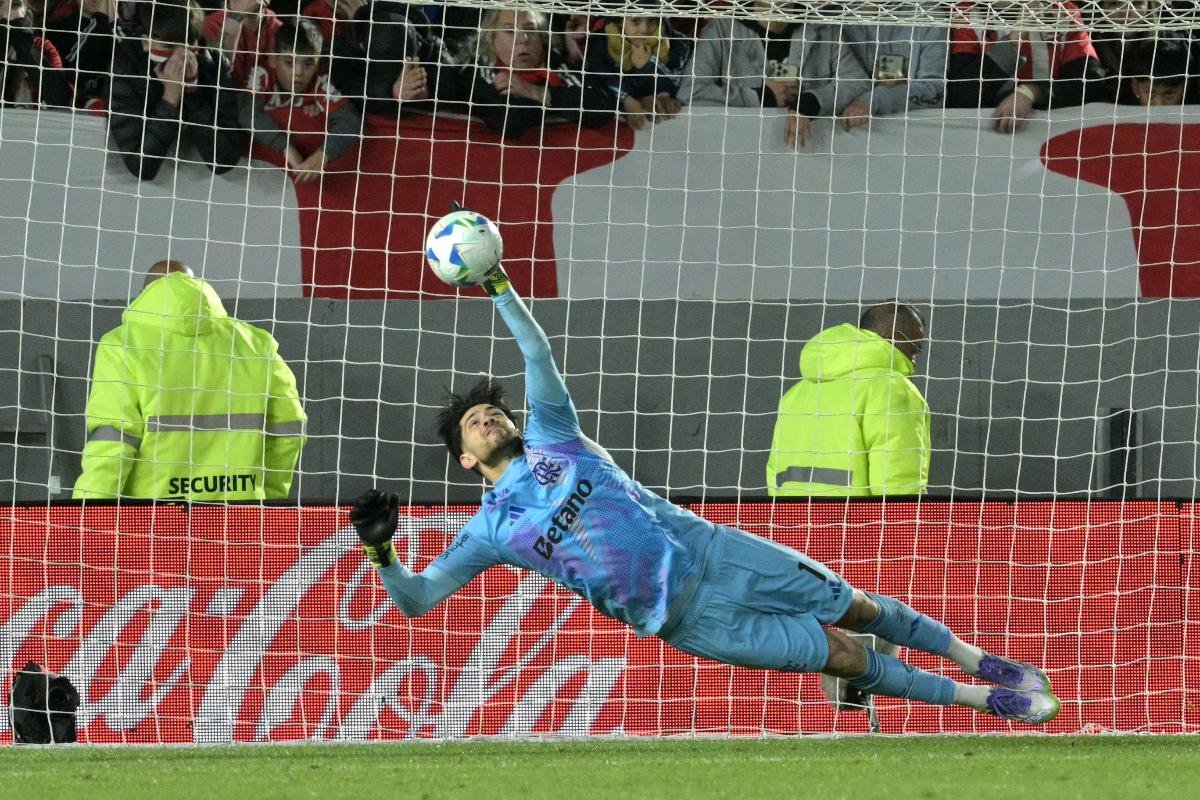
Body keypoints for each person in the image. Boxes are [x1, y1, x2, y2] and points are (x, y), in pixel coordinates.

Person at [349, 252, 1059, 725]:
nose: (487, 418)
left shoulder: (554, 438)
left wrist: (497, 281)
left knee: (859, 608)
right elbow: (416, 601)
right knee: (842, 655)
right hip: (687, 620)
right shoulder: (490, 532)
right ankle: (981, 698)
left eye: (492, 410)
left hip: (716, 550)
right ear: (466, 461)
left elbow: (536, 352)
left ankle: (973, 655)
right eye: (473, 424)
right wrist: (383, 553)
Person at [74, 260, 307, 501]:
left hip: (156, 523)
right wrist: (267, 494)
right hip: (240, 516)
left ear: (145, 294)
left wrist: (87, 518)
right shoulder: (256, 344)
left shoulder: (122, 345)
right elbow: (290, 429)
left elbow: (112, 445)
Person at [765, 302, 930, 497]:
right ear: (891, 335)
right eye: (916, 347)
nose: (914, 358)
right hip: (857, 524)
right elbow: (897, 482)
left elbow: (775, 471)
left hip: (791, 521)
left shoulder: (797, 392)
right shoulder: (893, 389)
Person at [677, 1, 871, 147]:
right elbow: (690, 92)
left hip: (811, 159)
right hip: (739, 154)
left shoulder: (824, 29)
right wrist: (761, 96)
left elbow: (857, 82)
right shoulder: (721, 30)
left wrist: (810, 103)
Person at [107, 0, 244, 180]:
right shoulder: (126, 69)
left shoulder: (214, 66)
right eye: (169, 46)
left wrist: (193, 91)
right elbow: (141, 167)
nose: (181, 57)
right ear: (146, 43)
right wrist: (170, 99)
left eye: (189, 44)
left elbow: (224, 161)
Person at [445, 7, 615, 139]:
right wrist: (557, 102)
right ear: (491, 38)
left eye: (530, 29)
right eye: (510, 31)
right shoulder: (478, 67)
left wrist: (534, 92)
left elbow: (601, 105)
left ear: (542, 36)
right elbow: (509, 121)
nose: (522, 39)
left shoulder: (556, 62)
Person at [945, 0, 1103, 134]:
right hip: (985, 135)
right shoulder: (966, 13)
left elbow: (1090, 84)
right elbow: (961, 95)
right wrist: (1016, 36)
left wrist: (1031, 92)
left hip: (1050, 134)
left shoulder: (1063, 12)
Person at [245, 16, 360, 183]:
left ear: (318, 62)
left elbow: (349, 120)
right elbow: (246, 113)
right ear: (273, 59)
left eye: (308, 64)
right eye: (289, 62)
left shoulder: (320, 81)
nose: (298, 72)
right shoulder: (261, 75)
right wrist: (286, 147)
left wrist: (322, 156)